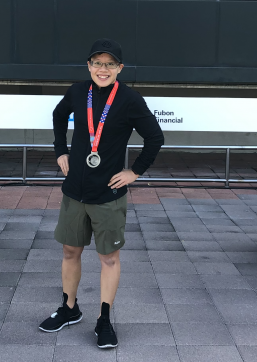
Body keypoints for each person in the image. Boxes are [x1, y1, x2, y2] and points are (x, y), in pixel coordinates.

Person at [38, 38, 164, 349]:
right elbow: (58, 115)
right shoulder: (78, 91)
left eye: (109, 64)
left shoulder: (129, 99)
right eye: (97, 63)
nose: (102, 69)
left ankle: (104, 319)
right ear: (89, 66)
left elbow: (155, 137)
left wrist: (134, 172)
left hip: (107, 194)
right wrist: (60, 150)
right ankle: (69, 309)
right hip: (74, 192)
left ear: (120, 68)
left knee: (108, 258)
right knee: (70, 251)